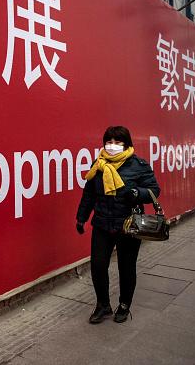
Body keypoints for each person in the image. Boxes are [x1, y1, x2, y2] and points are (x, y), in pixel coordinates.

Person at [76, 126, 160, 324]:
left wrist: (137, 193)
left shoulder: (138, 165)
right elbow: (88, 194)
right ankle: (103, 305)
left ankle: (124, 305)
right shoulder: (99, 165)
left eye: (117, 142)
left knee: (126, 267)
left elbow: (154, 190)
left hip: (129, 225)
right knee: (97, 265)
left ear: (127, 144)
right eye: (109, 142)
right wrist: (81, 217)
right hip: (102, 224)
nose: (112, 146)